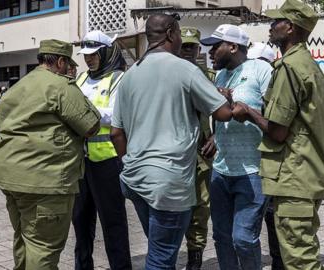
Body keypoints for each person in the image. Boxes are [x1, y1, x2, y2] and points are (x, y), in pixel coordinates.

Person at [110, 14, 233, 269]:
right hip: (169, 182)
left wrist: (131, 161)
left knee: (159, 249)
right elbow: (223, 113)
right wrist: (227, 98)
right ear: (170, 34)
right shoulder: (185, 69)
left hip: (134, 179)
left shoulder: (129, 75)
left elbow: (116, 133)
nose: (181, 42)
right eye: (179, 35)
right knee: (161, 258)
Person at [232, 0, 324, 269]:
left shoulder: (289, 68)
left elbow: (278, 131)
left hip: (294, 174)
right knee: (302, 251)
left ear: (291, 28)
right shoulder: (307, 64)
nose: (271, 26)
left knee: (300, 260)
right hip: (305, 172)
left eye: (277, 21)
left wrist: (249, 112)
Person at [0, 39, 101, 270]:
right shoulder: (60, 86)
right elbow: (91, 125)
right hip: (45, 181)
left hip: (10, 177)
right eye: (69, 64)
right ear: (60, 61)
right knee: (44, 248)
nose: (71, 69)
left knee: (23, 239)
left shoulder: (17, 87)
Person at [200, 24, 272, 270]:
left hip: (252, 171)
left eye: (215, 47)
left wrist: (248, 110)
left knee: (243, 238)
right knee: (221, 237)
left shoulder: (261, 69)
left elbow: (274, 119)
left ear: (233, 46)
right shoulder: (219, 76)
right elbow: (220, 116)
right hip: (221, 171)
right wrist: (214, 137)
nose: (209, 52)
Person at [73, 30, 132, 270]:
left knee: (113, 223)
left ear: (106, 52)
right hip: (81, 162)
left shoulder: (119, 79)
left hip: (108, 162)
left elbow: (116, 115)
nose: (89, 59)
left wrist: (84, 114)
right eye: (86, 55)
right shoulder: (81, 79)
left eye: (94, 54)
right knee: (80, 221)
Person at [179, 26, 216, 270]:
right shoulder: (166, 75)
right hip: (173, 152)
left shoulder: (209, 76)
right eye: (184, 46)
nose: (189, 51)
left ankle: (195, 256)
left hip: (201, 153)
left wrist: (217, 136)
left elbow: (225, 111)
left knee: (201, 207)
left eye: (192, 46)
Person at [247, 41, 284, 270]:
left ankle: (278, 262)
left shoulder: (274, 79)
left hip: (270, 159)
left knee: (272, 216)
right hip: (253, 162)